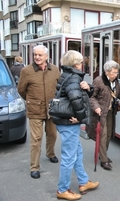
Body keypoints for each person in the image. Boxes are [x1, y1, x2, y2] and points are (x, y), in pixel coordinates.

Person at [52, 50, 99, 200]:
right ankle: (62, 189)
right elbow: (76, 100)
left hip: (65, 121)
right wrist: (80, 118)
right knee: (69, 157)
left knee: (77, 153)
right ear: (75, 64)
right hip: (69, 123)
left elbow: (80, 95)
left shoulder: (68, 75)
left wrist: (88, 88)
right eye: (81, 62)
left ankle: (83, 182)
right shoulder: (73, 78)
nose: (82, 64)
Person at [17, 45, 61, 179]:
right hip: (35, 109)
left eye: (40, 55)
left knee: (52, 134)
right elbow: (21, 90)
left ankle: (50, 153)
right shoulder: (26, 71)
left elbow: (59, 88)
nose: (37, 57)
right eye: (35, 54)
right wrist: (31, 100)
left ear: (46, 57)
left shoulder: (54, 70)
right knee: (36, 139)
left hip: (51, 109)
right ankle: (34, 167)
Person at [86, 60, 120, 171]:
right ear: (107, 72)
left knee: (108, 135)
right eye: (114, 72)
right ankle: (103, 160)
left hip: (111, 112)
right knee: (103, 135)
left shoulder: (115, 81)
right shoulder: (98, 81)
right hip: (101, 113)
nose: (116, 74)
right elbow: (92, 97)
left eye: (117, 72)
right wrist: (96, 107)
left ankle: (103, 154)